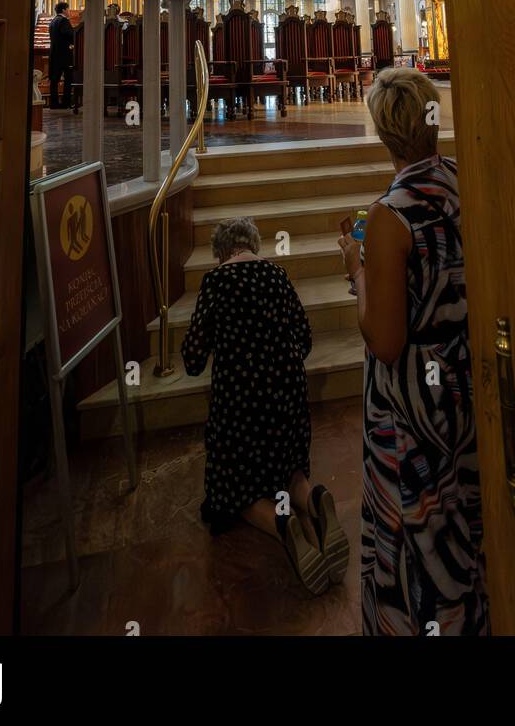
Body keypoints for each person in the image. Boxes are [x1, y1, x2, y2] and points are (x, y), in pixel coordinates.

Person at [338, 67, 488, 636]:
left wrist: (356, 272)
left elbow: (385, 337)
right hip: (463, 381)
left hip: (412, 404)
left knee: (415, 523)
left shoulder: (388, 216)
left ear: (382, 132)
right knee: (463, 508)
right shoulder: (459, 180)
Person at [181, 216, 349, 595]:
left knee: (232, 492)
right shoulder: (276, 274)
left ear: (221, 252)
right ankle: (314, 498)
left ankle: (281, 523)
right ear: (252, 245)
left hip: (241, 402)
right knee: (292, 472)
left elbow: (192, 359)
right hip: (288, 396)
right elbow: (304, 340)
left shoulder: (215, 281)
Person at [48, 1, 75, 110]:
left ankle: (53, 103)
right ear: (64, 10)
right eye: (68, 9)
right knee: (68, 79)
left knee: (54, 80)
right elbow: (68, 34)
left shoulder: (53, 21)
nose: (69, 11)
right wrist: (74, 37)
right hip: (64, 55)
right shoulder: (63, 21)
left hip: (54, 53)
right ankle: (66, 103)